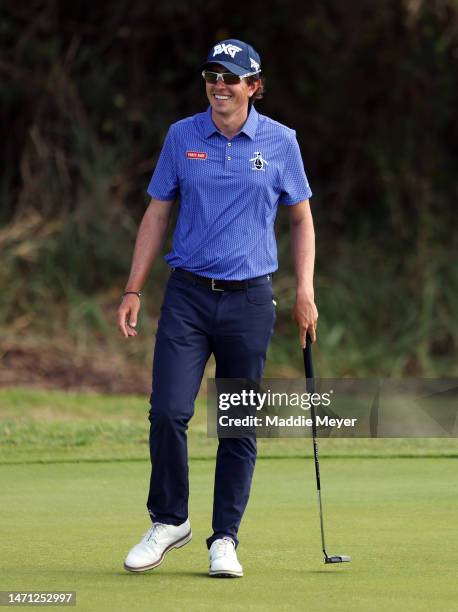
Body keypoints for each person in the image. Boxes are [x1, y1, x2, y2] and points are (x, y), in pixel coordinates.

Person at [117, 38, 318, 578]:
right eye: (212, 74)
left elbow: (300, 218)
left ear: (253, 86)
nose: (219, 84)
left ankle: (225, 538)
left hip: (251, 300)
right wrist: (134, 288)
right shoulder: (182, 137)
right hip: (187, 295)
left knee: (237, 424)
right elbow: (158, 212)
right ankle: (169, 521)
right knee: (168, 412)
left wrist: (305, 290)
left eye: (231, 77)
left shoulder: (280, 142)